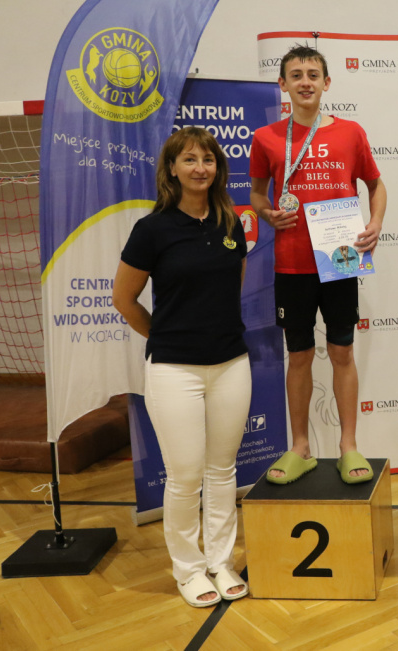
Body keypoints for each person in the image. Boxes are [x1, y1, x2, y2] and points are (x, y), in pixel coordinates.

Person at [113, 127, 251, 608]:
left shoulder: (231, 224)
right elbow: (124, 299)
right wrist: (166, 336)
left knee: (223, 471)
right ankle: (189, 570)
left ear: (218, 168)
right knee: (186, 475)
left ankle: (221, 562)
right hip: (174, 370)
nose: (200, 168)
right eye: (189, 159)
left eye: (208, 159)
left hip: (231, 363)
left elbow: (231, 289)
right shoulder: (151, 229)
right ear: (171, 169)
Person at [249, 45, 388, 485]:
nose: (305, 82)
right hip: (292, 264)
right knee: (300, 355)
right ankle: (300, 446)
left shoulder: (350, 132)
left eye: (313, 74)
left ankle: (349, 446)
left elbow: (376, 185)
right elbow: (256, 194)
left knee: (343, 351)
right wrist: (267, 213)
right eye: (296, 75)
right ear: (283, 84)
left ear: (327, 83)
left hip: (340, 260)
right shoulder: (266, 137)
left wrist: (375, 223)